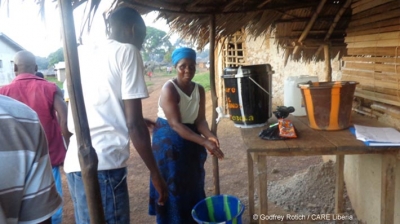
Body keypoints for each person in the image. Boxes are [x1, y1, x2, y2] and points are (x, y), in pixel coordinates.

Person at [63, 7, 168, 223]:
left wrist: (135, 119)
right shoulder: (127, 51)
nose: (140, 43)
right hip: (106, 167)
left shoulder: (79, 54)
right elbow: (134, 126)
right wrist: (155, 174)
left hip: (76, 165)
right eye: (142, 36)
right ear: (132, 30)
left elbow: (72, 115)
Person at [148, 47, 224, 224]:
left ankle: (192, 219)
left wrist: (210, 136)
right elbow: (175, 124)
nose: (188, 70)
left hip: (190, 140)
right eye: (183, 66)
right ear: (175, 66)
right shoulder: (170, 88)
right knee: (172, 184)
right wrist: (204, 142)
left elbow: (200, 121)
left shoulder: (199, 90)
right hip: (168, 144)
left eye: (192, 66)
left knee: (192, 182)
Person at [0, 50, 70, 224]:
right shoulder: (50, 88)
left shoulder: (4, 92)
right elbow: (65, 119)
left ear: (14, 67)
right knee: (49, 203)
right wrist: (69, 146)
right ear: (36, 68)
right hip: (48, 155)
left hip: (14, 161)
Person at [0, 95, 62, 224]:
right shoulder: (48, 88)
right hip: (38, 146)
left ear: (15, 73)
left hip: (28, 146)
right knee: (51, 182)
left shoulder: (6, 90)